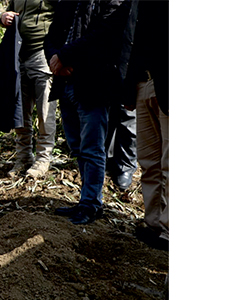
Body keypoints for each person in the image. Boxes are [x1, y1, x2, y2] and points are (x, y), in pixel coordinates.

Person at [46, 0, 136, 224]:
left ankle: (91, 203)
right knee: (77, 147)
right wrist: (54, 58)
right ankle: (85, 199)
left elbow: (104, 35)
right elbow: (51, 35)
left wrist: (64, 56)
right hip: (65, 81)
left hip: (93, 83)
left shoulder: (112, 1)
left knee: (92, 148)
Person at [124, 0, 169, 251]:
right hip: (143, 83)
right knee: (149, 161)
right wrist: (130, 88)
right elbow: (132, 38)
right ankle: (154, 225)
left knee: (170, 163)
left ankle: (170, 230)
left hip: (169, 83)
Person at [0, 0, 59, 179]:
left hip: (42, 52)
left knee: (45, 110)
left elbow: (63, 16)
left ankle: (43, 158)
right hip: (19, 53)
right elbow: (10, 12)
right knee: (21, 109)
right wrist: (3, 18)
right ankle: (23, 157)